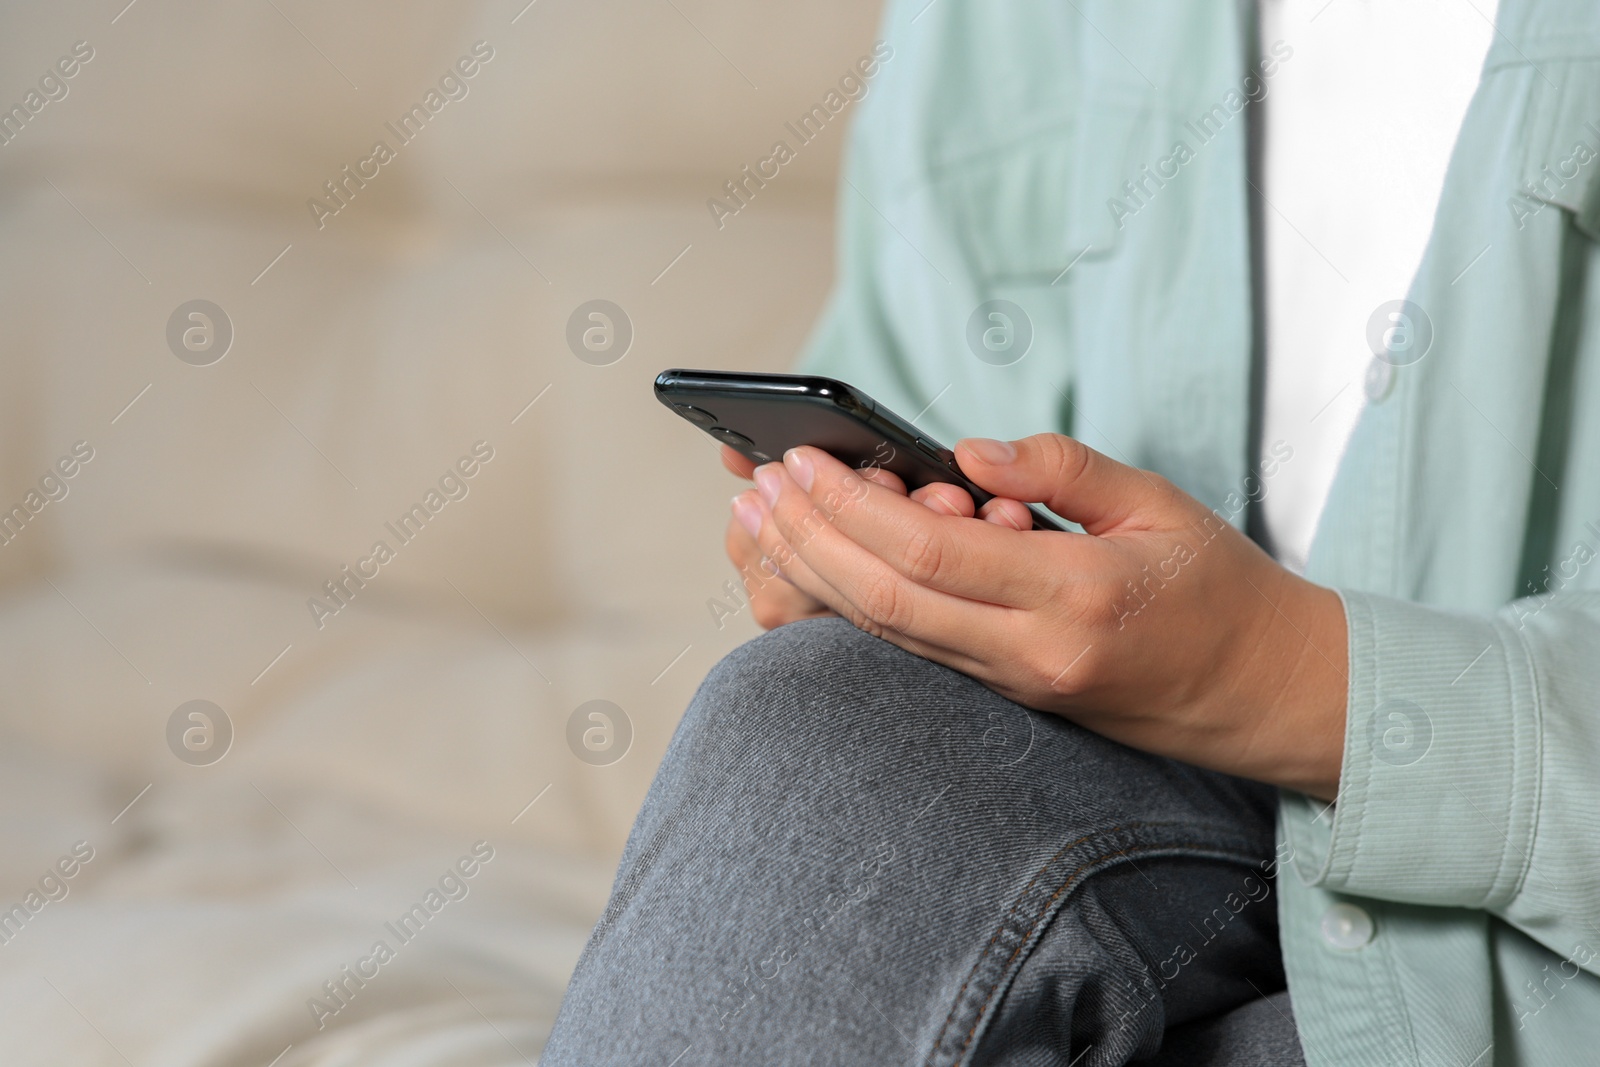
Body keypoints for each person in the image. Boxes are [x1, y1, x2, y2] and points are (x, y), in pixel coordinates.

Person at [544, 0, 1600, 1062]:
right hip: (1144, 796)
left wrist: (1291, 679)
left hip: (1545, 941)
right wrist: (887, 584)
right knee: (820, 721)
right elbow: (925, 372)